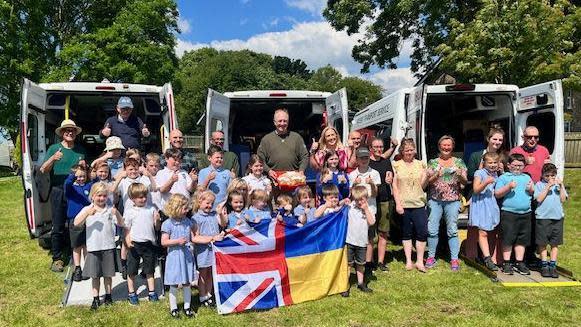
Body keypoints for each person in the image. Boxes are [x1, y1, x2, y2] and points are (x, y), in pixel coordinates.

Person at [40, 119, 86, 272]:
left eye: (72, 130)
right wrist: (53, 158)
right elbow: (43, 170)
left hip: (75, 190)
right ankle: (57, 258)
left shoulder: (80, 151)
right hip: (58, 189)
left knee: (77, 223)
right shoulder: (54, 148)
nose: (70, 132)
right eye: (67, 130)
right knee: (58, 224)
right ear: (61, 133)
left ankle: (78, 255)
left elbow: (85, 171)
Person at [73, 182, 124, 310]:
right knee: (95, 275)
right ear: (93, 196)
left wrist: (116, 213)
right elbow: (76, 223)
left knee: (108, 274)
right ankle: (95, 298)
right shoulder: (87, 209)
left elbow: (121, 223)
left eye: (104, 196)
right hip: (93, 247)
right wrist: (87, 214)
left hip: (108, 246)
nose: (101, 198)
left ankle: (108, 295)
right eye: (99, 196)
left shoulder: (109, 210)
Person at [425, 136, 468, 271]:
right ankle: (431, 256)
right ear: (439, 146)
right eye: (443, 145)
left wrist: (459, 174)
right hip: (435, 200)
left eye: (449, 145)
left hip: (453, 201)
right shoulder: (433, 162)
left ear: (452, 146)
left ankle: (454, 259)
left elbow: (465, 182)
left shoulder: (459, 162)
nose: (446, 148)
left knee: (452, 231)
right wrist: (437, 174)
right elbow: (428, 182)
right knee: (432, 230)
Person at [392, 138, 429, 272]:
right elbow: (394, 187)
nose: (409, 152)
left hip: (418, 203)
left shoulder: (421, 164)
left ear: (415, 151)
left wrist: (427, 176)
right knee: (406, 233)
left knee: (422, 232)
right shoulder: (396, 165)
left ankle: (419, 261)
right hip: (404, 204)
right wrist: (398, 204)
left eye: (411, 150)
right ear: (402, 151)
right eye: (406, 150)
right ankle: (408, 260)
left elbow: (423, 186)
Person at [495, 153, 535, 275]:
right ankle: (506, 263)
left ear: (524, 166)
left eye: (520, 165)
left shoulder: (527, 178)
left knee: (522, 239)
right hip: (509, 213)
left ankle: (519, 262)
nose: (517, 168)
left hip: (525, 213)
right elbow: (497, 194)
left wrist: (531, 189)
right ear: (508, 165)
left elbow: (533, 193)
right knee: (508, 238)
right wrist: (508, 187)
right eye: (515, 165)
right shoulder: (504, 178)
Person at [124, 183, 160, 305]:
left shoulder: (151, 209)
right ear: (132, 198)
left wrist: (157, 220)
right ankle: (132, 293)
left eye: (144, 196)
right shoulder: (130, 212)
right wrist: (128, 241)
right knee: (132, 270)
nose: (143, 199)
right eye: (140, 197)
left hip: (149, 243)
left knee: (149, 270)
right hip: (135, 244)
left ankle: (152, 292)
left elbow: (157, 228)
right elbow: (127, 229)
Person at [161, 194, 195, 318]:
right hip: (174, 256)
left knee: (187, 283)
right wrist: (176, 241)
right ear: (176, 208)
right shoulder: (167, 223)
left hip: (186, 255)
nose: (187, 211)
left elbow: (193, 236)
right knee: (174, 283)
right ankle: (174, 308)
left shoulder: (187, 222)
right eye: (184, 208)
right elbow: (164, 242)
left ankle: (187, 307)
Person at [348, 146, 381, 275]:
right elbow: (351, 196)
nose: (364, 160)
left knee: (369, 237)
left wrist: (371, 184)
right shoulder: (352, 175)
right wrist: (355, 184)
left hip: (370, 209)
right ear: (356, 159)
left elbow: (374, 194)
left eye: (366, 157)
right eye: (361, 158)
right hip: (356, 211)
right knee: (357, 235)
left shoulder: (375, 173)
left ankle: (367, 263)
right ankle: (356, 262)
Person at [191, 191, 226, 307]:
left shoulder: (214, 214)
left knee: (211, 272)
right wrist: (211, 238)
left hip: (214, 250)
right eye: (207, 203)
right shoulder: (195, 218)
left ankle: (209, 294)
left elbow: (223, 224)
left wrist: (220, 213)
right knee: (203, 273)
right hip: (203, 250)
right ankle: (202, 296)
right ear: (199, 202)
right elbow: (195, 237)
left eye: (212, 203)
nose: (210, 206)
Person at [469, 152, 501, 271]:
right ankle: (487, 258)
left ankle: (484, 255)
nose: (492, 165)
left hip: (491, 204)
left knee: (490, 231)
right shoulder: (480, 173)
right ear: (484, 163)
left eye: (495, 162)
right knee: (483, 232)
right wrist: (486, 182)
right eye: (490, 162)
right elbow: (476, 189)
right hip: (481, 204)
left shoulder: (496, 174)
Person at [342, 184, 376, 297]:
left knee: (361, 264)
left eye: (362, 199)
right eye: (357, 200)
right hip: (350, 241)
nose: (359, 202)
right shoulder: (350, 206)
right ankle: (345, 285)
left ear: (366, 198)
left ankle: (361, 283)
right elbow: (338, 207)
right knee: (348, 264)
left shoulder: (369, 208)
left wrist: (366, 209)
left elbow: (371, 222)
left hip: (361, 242)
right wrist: (343, 202)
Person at [534, 163, 567, 278]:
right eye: (546, 175)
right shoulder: (539, 184)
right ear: (542, 175)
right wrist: (547, 186)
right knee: (542, 243)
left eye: (552, 175)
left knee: (555, 243)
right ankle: (544, 264)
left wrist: (561, 186)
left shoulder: (558, 186)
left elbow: (563, 199)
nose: (549, 178)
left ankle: (552, 265)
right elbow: (538, 199)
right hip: (543, 218)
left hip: (557, 218)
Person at [257, 108, 309, 181]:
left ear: (288, 122)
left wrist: (301, 170)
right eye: (280, 121)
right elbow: (260, 158)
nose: (282, 123)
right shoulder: (266, 139)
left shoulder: (297, 137)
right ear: (274, 122)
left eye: (285, 121)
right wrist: (268, 171)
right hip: (274, 179)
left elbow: (305, 156)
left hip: (294, 178)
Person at [368, 138, 395, 272]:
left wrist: (390, 179)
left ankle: (380, 261)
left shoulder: (386, 161)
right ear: (370, 148)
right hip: (371, 201)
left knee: (383, 232)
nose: (378, 149)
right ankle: (370, 261)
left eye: (381, 147)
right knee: (371, 233)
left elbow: (391, 177)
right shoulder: (367, 162)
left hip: (385, 200)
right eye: (375, 147)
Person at [64, 165, 92, 282]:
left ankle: (86, 267)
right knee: (77, 245)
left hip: (88, 219)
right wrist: (72, 175)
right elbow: (67, 184)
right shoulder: (71, 188)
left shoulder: (88, 186)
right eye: (78, 176)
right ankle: (77, 268)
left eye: (83, 176)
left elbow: (95, 181)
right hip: (75, 220)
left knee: (86, 244)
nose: (80, 178)